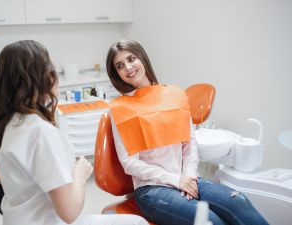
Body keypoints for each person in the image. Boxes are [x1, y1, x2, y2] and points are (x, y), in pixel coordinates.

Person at [106, 39, 269, 225]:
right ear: (117, 74)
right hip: (152, 189)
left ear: (142, 58)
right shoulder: (120, 109)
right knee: (210, 220)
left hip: (189, 177)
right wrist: (176, 180)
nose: (128, 67)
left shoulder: (175, 94)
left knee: (239, 202)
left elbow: (189, 143)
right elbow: (130, 163)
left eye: (131, 58)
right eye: (120, 66)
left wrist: (189, 176)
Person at [0, 40, 149, 225]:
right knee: (138, 223)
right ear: (43, 77)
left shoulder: (7, 123)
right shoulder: (40, 132)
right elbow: (69, 212)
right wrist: (79, 174)